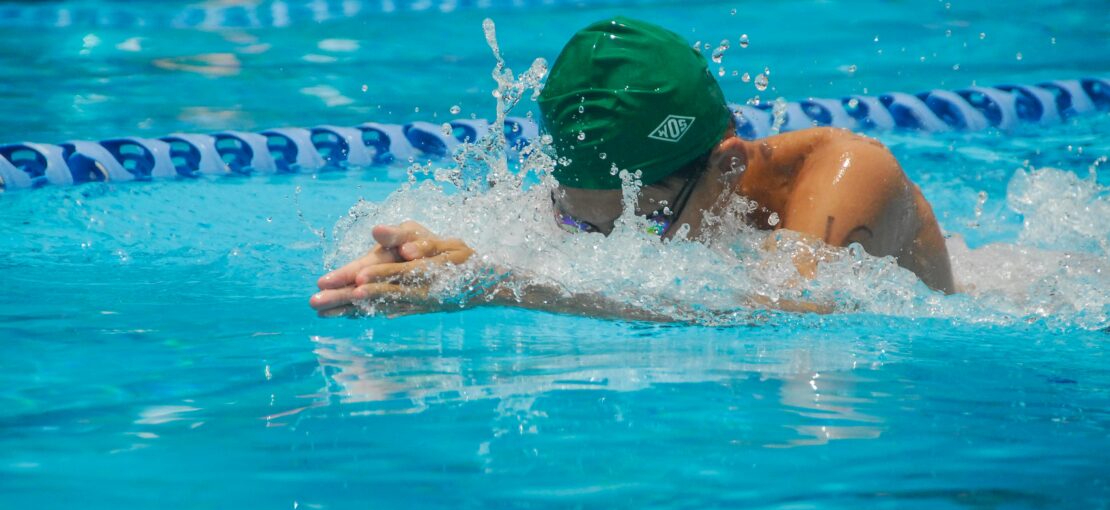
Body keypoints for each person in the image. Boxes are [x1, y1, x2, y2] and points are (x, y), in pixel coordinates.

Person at [309, 16, 955, 318]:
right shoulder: (614, 195)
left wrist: (511, 285)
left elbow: (793, 315)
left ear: (726, 170)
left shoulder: (849, 179)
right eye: (580, 225)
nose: (615, 249)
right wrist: (450, 258)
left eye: (643, 224)